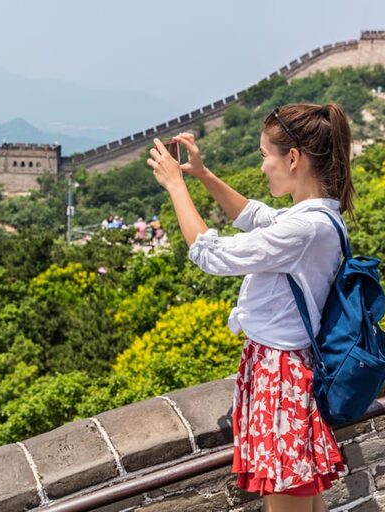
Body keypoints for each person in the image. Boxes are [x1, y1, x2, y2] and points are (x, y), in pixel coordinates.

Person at [147, 103, 353, 512]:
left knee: (290, 500)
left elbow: (213, 255)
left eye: (265, 156)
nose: (262, 167)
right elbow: (256, 216)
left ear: (293, 158)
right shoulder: (319, 216)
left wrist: (176, 186)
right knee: (306, 502)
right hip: (288, 370)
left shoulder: (305, 228)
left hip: (280, 380)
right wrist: (203, 176)